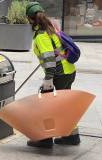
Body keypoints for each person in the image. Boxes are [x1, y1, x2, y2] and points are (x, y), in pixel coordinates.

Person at [25, 2, 80, 148]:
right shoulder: (51, 29)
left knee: (46, 106)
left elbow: (49, 59)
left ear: (30, 19)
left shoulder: (41, 36)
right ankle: (72, 136)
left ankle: (45, 139)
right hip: (69, 71)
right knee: (64, 106)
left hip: (58, 74)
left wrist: (48, 79)